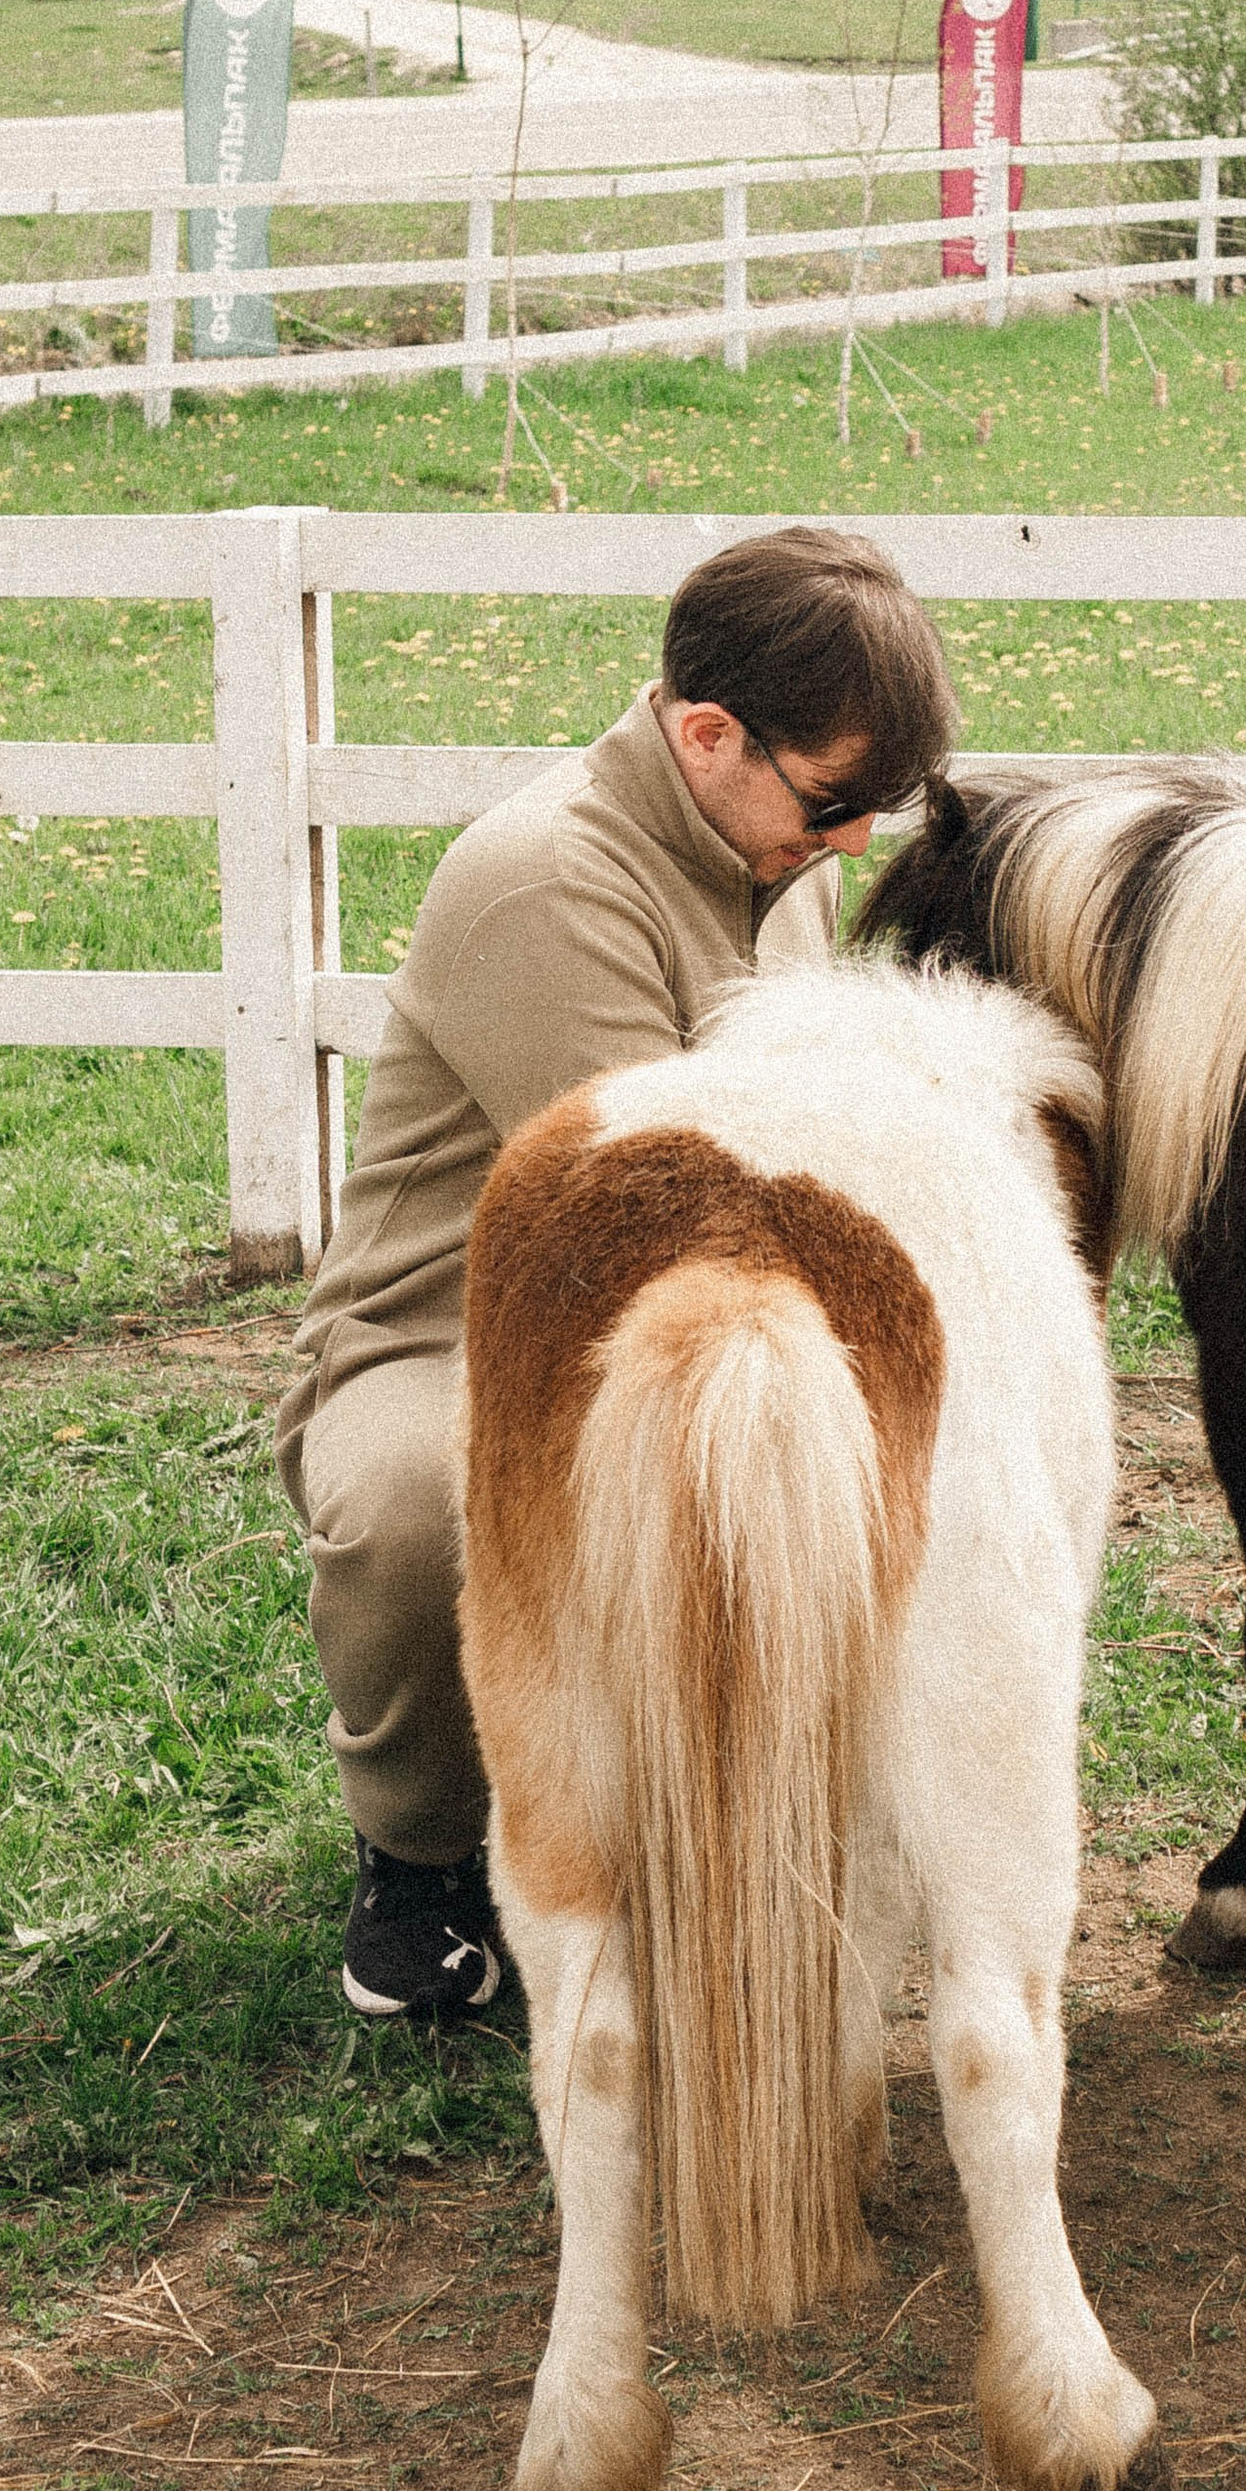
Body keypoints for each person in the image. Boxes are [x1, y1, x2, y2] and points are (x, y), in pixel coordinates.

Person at [277, 523, 958, 2022]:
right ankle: (422, 1864)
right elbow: (655, 1218)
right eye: (838, 801)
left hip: (695, 1294)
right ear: (707, 733)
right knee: (416, 1504)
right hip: (456, 1333)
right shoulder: (545, 882)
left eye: (875, 813)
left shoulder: (771, 852)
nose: (853, 845)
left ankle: (715, 1809)